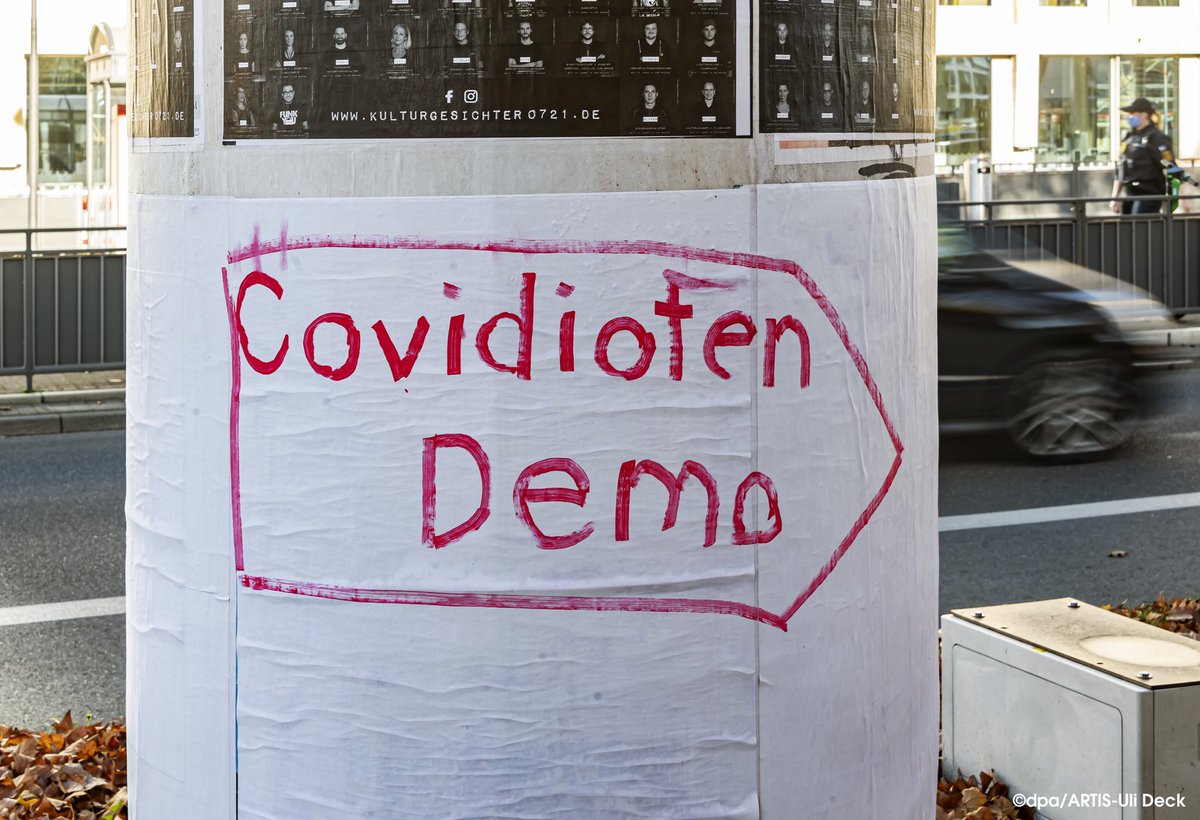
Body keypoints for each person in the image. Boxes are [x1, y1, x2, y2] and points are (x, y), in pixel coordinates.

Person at [1110, 97, 1191, 215]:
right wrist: (1115, 198)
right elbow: (1120, 170)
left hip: (1149, 194)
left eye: (1133, 113)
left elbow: (1172, 168)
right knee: (1126, 231)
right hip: (1129, 194)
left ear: (1144, 115)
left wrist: (1182, 199)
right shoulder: (1128, 137)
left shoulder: (1157, 138)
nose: (1130, 116)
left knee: (1141, 229)